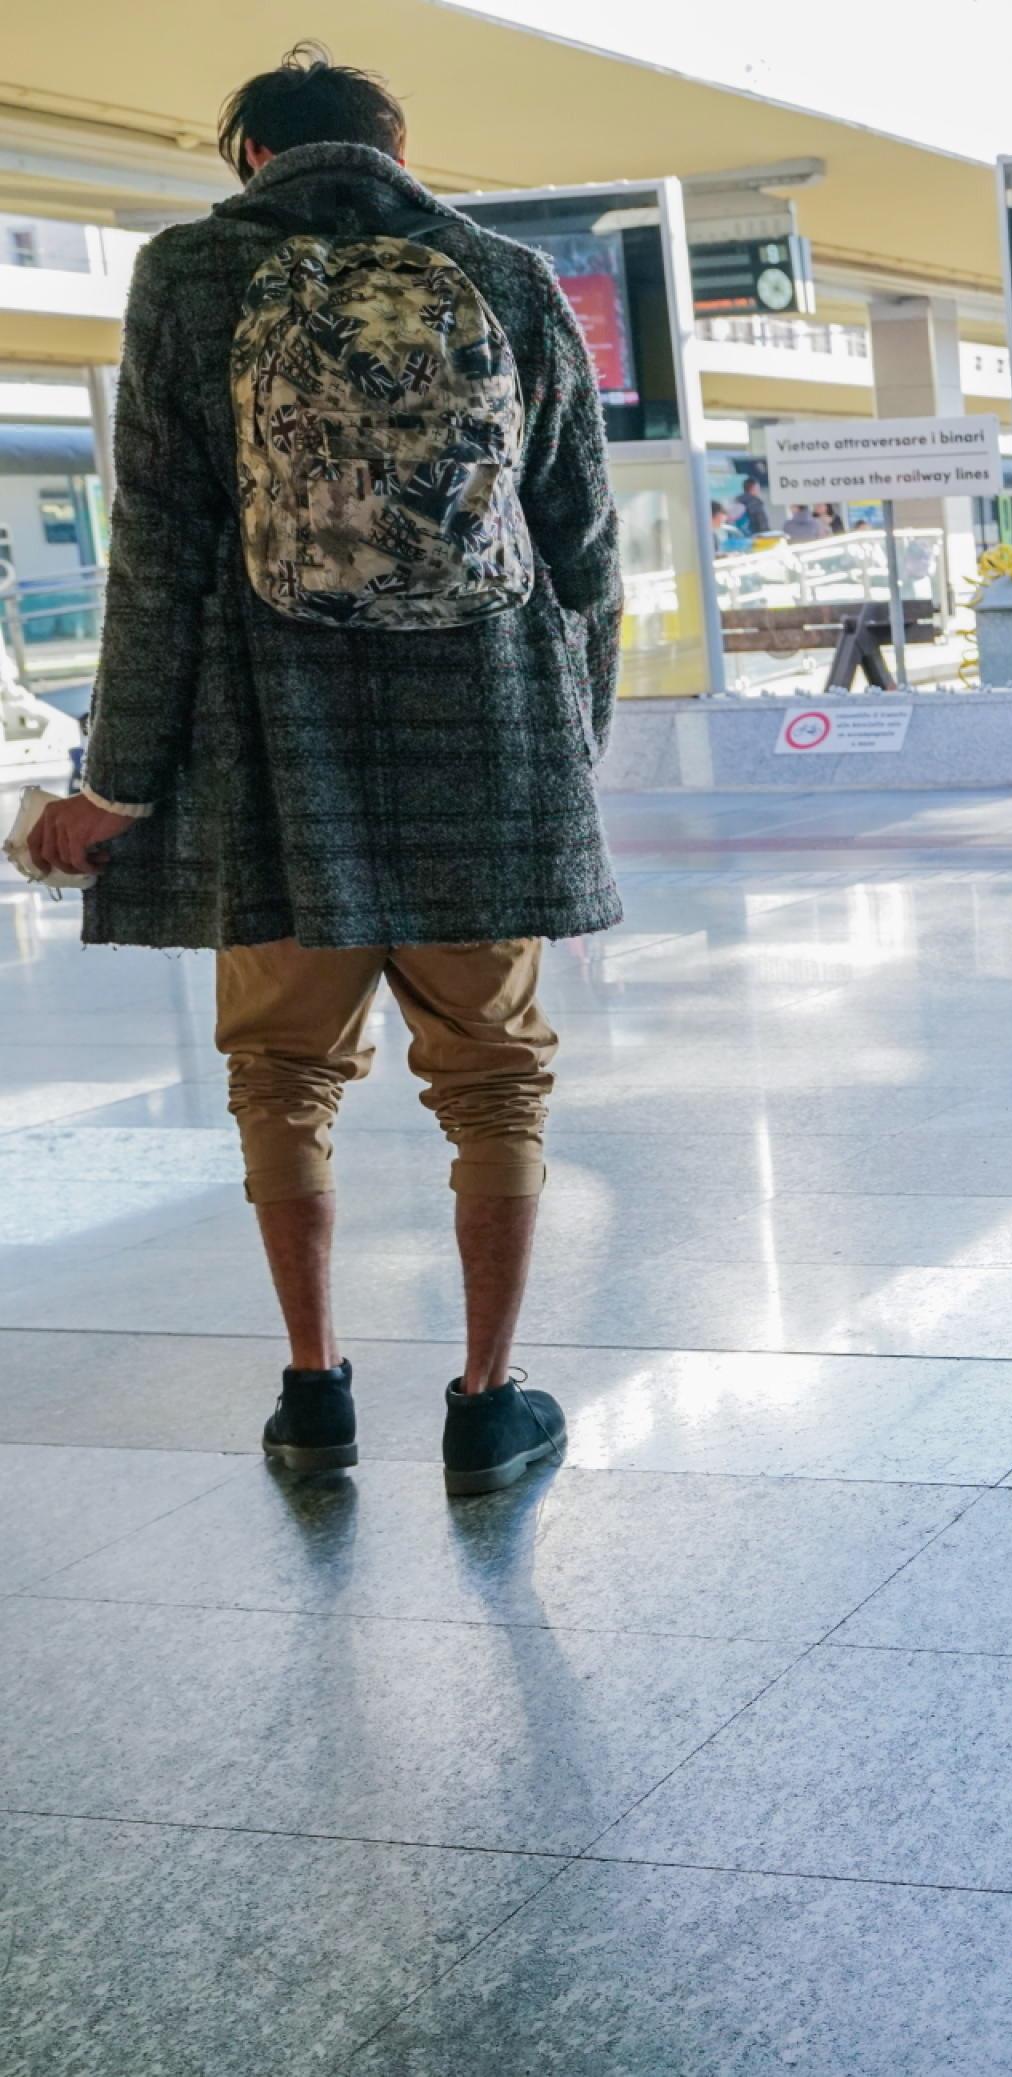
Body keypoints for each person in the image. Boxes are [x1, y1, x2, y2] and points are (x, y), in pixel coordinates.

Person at [20, 45, 615, 1497]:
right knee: (497, 1087)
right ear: (397, 145)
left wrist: (124, 779)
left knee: (280, 1074)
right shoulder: (512, 278)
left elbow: (154, 553)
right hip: (485, 751)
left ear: (248, 160)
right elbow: (583, 550)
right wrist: (563, 759)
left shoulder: (184, 278)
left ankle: (312, 1396)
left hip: (264, 755)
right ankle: (487, 1402)